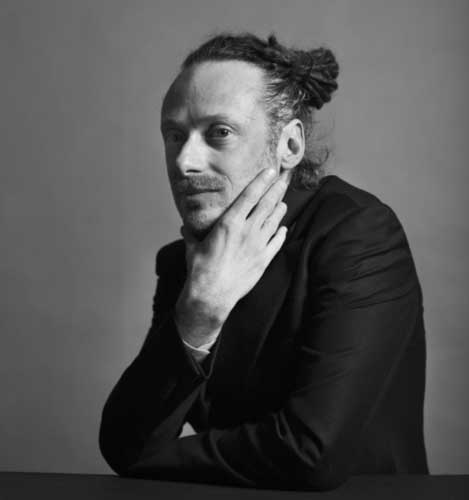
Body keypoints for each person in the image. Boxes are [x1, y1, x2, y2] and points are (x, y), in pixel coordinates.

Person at [99, 33, 428, 491]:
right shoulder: (183, 264)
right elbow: (120, 440)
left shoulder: (358, 235)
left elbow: (311, 451)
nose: (185, 161)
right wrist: (199, 312)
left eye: (220, 132)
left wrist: (149, 456)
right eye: (174, 135)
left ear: (289, 145)